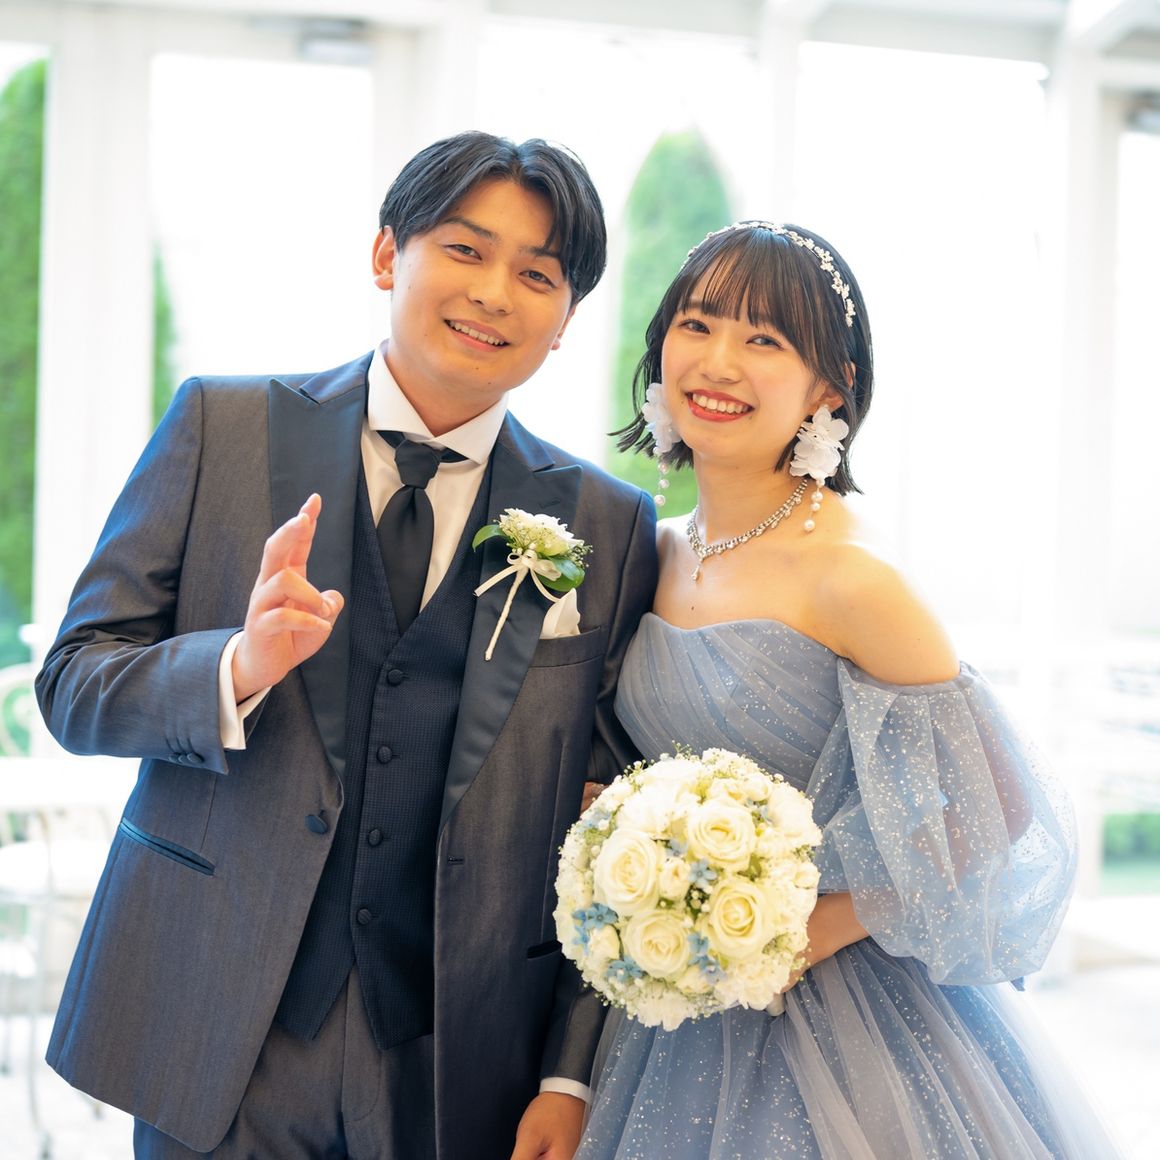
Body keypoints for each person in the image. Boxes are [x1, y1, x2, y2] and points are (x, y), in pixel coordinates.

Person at [35, 131, 657, 1159]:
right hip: (221, 1021)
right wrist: (235, 667)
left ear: (564, 322)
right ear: (385, 256)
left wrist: (567, 1069)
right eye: (465, 249)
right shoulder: (223, 427)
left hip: (459, 1051)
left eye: (536, 274)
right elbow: (73, 683)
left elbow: (613, 817)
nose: (493, 292)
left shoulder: (607, 520)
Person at [574, 221, 1122, 1158]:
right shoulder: (654, 551)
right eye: (698, 324)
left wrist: (827, 923)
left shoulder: (852, 577)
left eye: (764, 339)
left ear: (830, 387)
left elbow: (998, 805)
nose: (718, 361)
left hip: (851, 1011)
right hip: (677, 999)